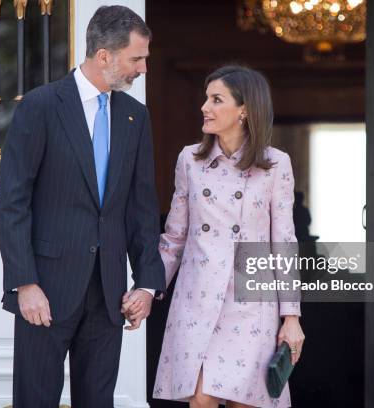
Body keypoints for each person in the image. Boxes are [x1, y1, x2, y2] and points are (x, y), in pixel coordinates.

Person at [0, 6, 165, 407]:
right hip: (45, 291)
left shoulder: (135, 117)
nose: (143, 69)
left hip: (108, 295)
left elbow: (142, 208)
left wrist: (145, 283)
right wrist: (25, 283)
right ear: (104, 55)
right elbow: (12, 202)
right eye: (136, 59)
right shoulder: (41, 106)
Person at [126, 65, 305, 408]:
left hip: (251, 303)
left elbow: (284, 243)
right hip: (197, 300)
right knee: (202, 396)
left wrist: (292, 317)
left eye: (216, 99)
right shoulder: (190, 160)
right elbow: (174, 238)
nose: (204, 107)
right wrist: (148, 289)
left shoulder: (275, 164)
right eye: (206, 98)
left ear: (245, 110)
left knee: (245, 402)